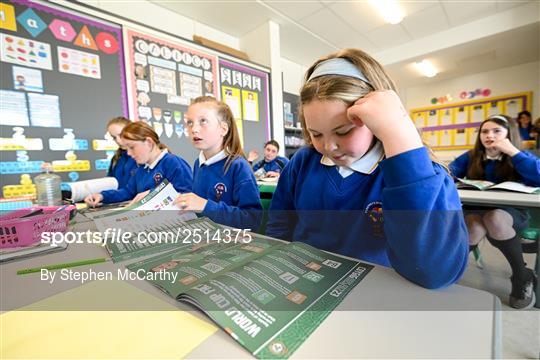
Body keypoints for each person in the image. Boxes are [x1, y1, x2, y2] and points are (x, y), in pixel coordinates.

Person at [265, 48, 468, 289]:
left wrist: (399, 137)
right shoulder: (302, 162)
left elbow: (435, 273)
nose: (329, 146)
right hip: (303, 285)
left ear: (377, 121)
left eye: (343, 131)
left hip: (375, 295)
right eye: (315, 133)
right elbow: (279, 224)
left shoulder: (422, 173)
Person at [449, 114, 539, 309]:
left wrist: (513, 152)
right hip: (477, 209)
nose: (489, 135)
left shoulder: (520, 155)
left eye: (497, 131)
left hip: (511, 213)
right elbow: (450, 171)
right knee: (474, 226)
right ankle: (451, 270)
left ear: (509, 134)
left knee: (495, 218)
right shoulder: (473, 155)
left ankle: (522, 276)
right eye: (485, 131)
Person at [173, 96, 262, 230]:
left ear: (223, 129)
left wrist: (205, 206)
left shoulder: (238, 166)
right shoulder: (199, 163)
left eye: (203, 121)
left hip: (231, 243)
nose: (194, 129)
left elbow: (252, 220)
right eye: (190, 122)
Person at [85, 121, 192, 206]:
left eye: (131, 147)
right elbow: (128, 191)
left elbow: (187, 195)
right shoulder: (141, 168)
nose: (129, 153)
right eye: (126, 149)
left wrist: (153, 194)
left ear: (149, 143)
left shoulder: (173, 163)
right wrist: (102, 196)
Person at [105, 116, 138, 188]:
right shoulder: (116, 159)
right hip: (120, 198)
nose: (118, 141)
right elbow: (109, 183)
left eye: (121, 135)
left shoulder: (142, 156)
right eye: (114, 137)